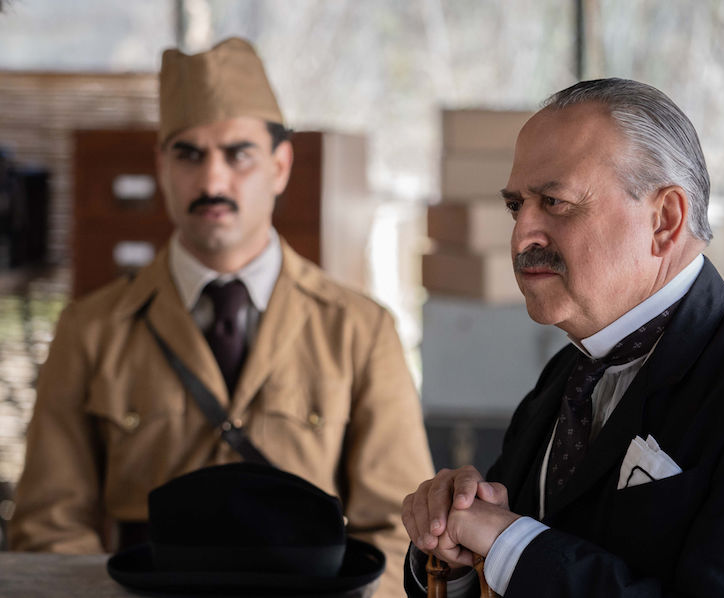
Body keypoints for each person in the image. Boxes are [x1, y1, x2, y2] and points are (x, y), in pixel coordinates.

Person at [9, 37, 433, 598]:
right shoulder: (90, 330)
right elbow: (49, 525)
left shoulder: (358, 330)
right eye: (188, 154)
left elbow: (402, 531)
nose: (212, 182)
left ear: (280, 166)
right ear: (161, 166)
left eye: (238, 155)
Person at [402, 78, 724, 596]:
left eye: (554, 201)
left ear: (665, 221)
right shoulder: (570, 372)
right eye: (516, 206)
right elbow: (500, 552)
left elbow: (515, 548)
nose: (521, 236)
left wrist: (508, 544)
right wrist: (451, 548)